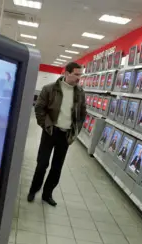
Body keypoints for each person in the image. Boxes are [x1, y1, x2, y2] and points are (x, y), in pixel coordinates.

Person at [28, 62, 86, 206]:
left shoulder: (80, 92)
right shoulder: (49, 89)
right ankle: (33, 190)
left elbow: (82, 114)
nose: (79, 78)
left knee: (57, 167)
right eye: (76, 74)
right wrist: (46, 125)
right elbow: (39, 109)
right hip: (50, 132)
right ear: (66, 73)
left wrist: (75, 130)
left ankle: (47, 194)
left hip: (65, 135)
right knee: (42, 164)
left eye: (80, 74)